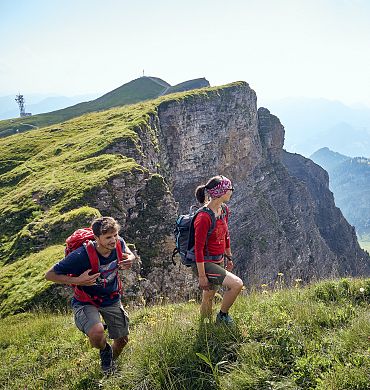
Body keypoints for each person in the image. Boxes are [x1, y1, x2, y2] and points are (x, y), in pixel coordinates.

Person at [45, 216, 135, 374]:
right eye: (108, 237)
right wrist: (78, 280)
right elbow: (50, 275)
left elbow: (127, 250)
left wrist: (131, 258)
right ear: (96, 238)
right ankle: (104, 349)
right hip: (86, 301)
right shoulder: (81, 255)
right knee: (97, 334)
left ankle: (109, 364)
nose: (113, 240)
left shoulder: (118, 243)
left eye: (115, 235)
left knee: (122, 340)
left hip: (111, 298)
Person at [193, 175, 243, 324]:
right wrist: (202, 276)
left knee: (208, 295)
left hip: (218, 259)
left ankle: (205, 328)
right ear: (221, 192)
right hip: (205, 263)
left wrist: (229, 257)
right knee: (237, 284)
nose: (232, 191)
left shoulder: (224, 210)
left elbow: (225, 234)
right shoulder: (203, 217)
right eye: (230, 189)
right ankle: (222, 316)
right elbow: (198, 249)